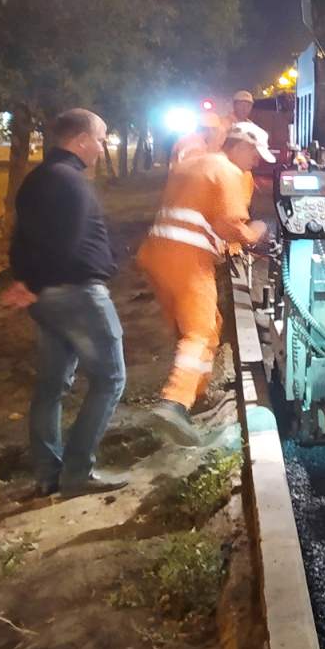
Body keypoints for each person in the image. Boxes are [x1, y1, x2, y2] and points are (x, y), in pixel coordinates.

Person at [0, 110, 129, 496]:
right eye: (102, 138)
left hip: (47, 298)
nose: (104, 145)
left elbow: (20, 239)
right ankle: (76, 474)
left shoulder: (36, 180)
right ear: (81, 140)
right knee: (110, 379)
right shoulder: (70, 182)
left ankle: (46, 474)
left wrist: (25, 282)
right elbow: (68, 243)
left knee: (52, 385)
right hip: (78, 294)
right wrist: (34, 283)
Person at [137, 121, 273, 439]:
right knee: (199, 332)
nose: (255, 163)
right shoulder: (225, 171)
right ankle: (174, 403)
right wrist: (256, 232)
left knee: (206, 326)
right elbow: (228, 224)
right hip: (188, 260)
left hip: (156, 254)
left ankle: (194, 398)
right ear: (242, 146)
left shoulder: (193, 163)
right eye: (255, 155)